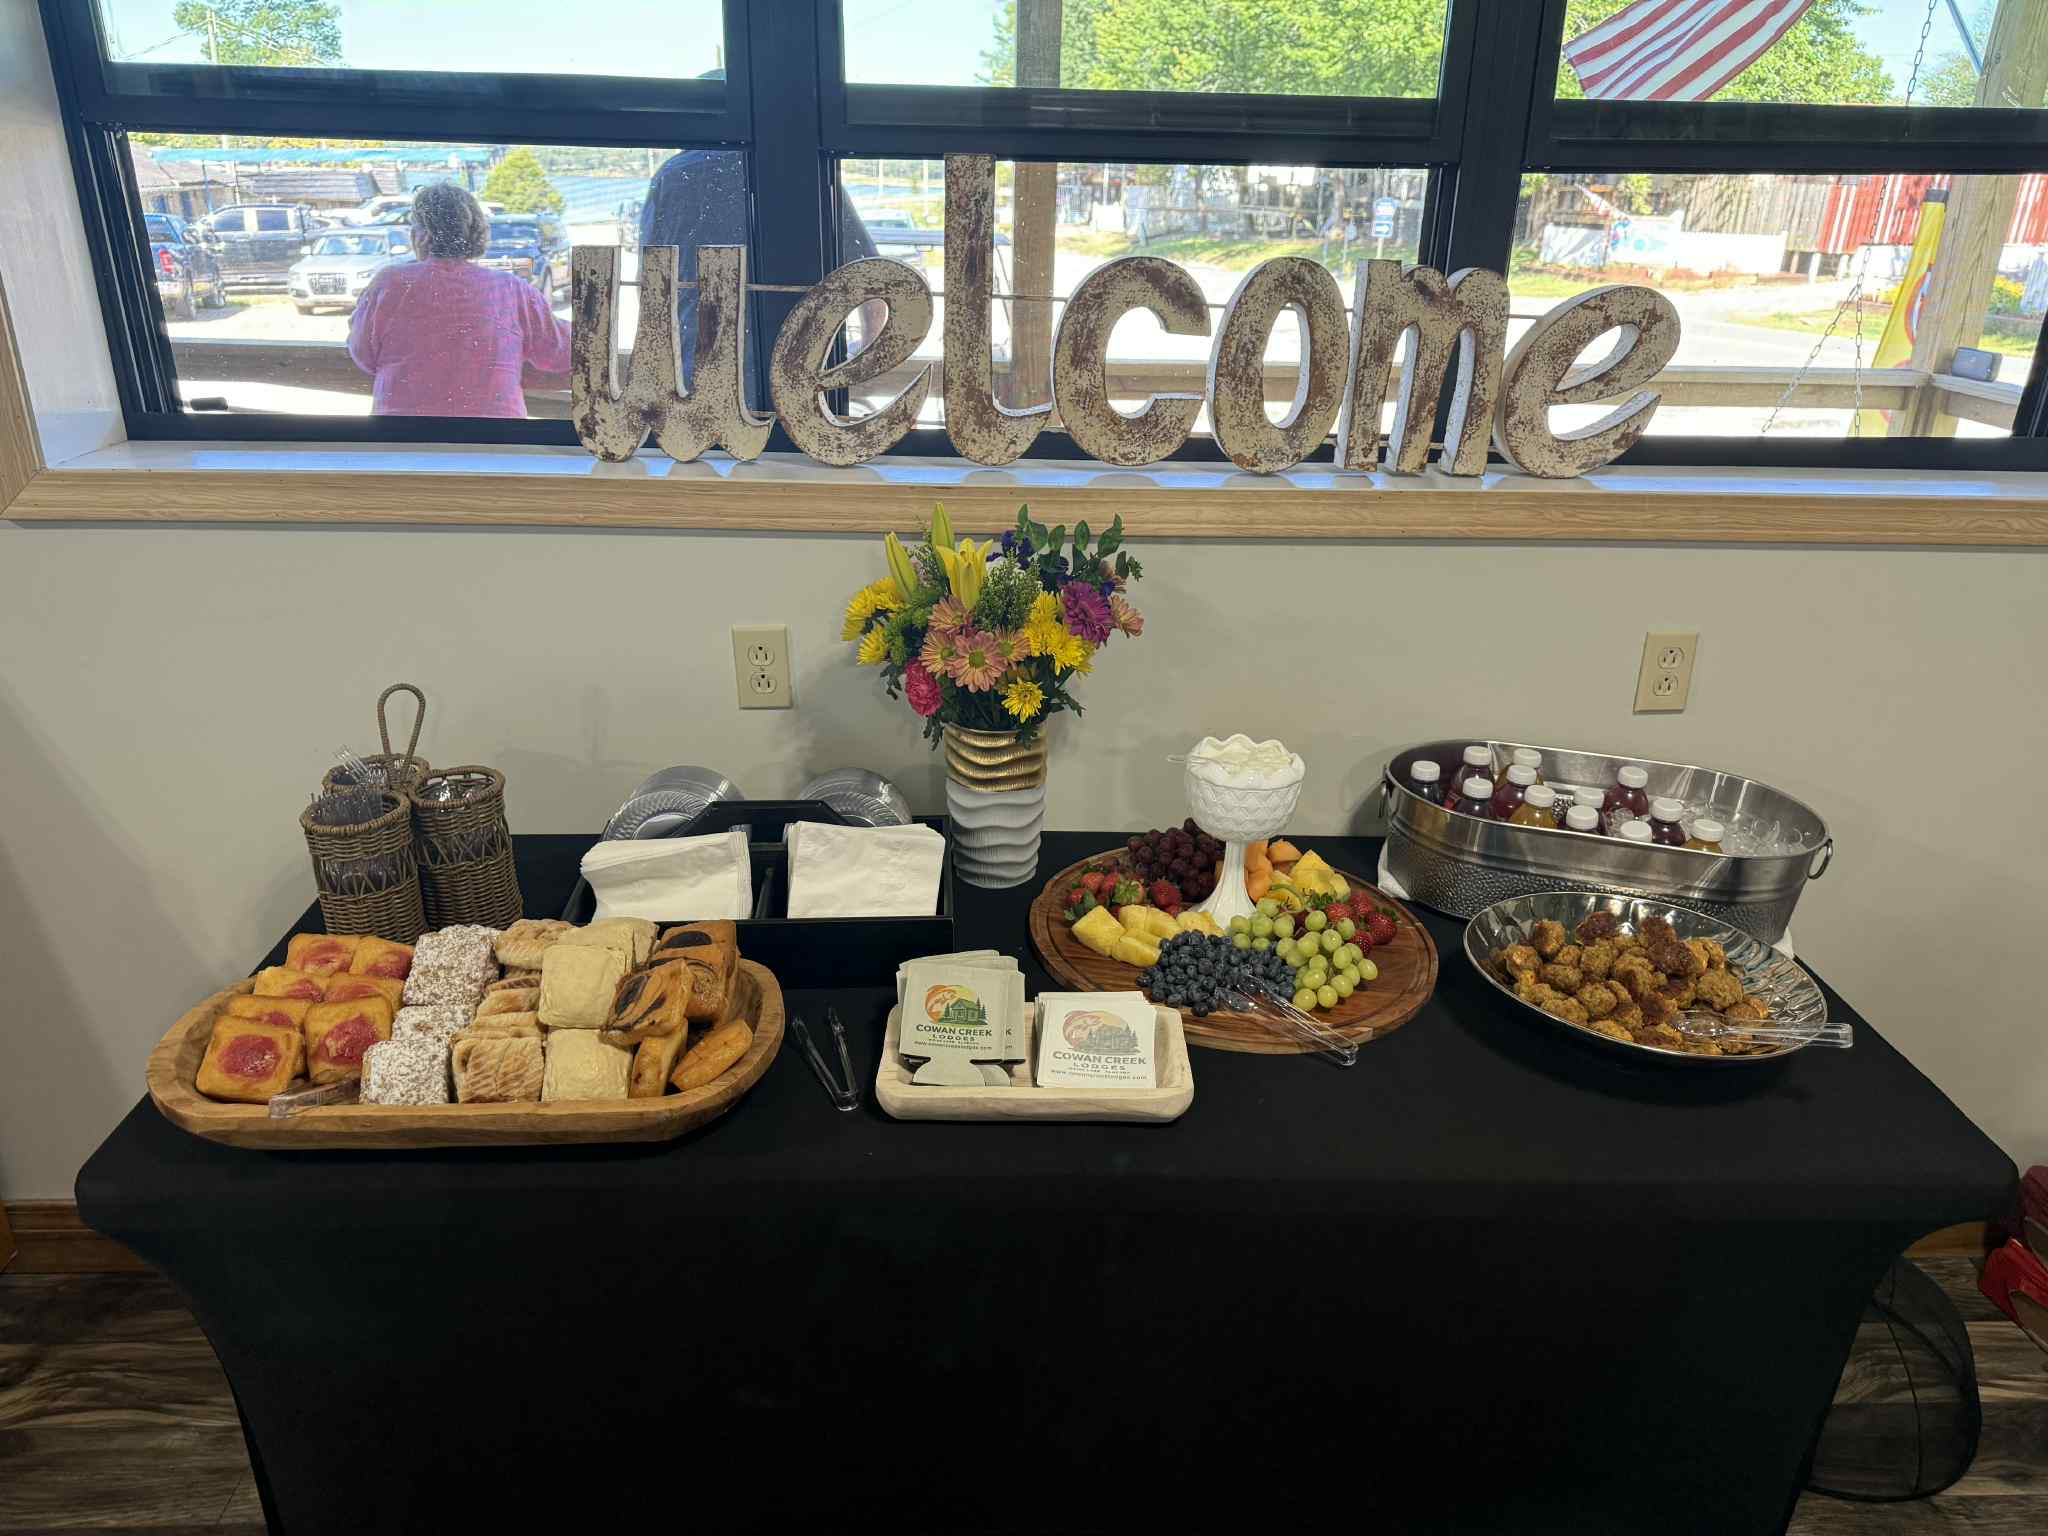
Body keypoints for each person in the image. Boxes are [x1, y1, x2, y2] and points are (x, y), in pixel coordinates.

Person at [640, 131, 884, 407]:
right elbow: (867, 271)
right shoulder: (805, 170)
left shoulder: (672, 176)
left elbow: (651, 282)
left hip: (696, 365)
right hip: (803, 367)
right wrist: (865, 354)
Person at [347, 181, 570, 417]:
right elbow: (559, 352)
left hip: (402, 433)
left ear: (420, 234)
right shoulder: (512, 289)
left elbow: (363, 355)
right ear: (476, 232)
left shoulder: (389, 283)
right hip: (496, 433)